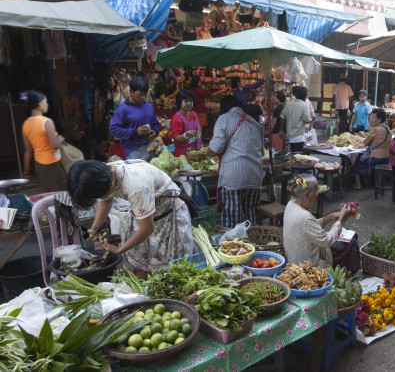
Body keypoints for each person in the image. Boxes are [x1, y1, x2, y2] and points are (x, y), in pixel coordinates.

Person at [67, 159, 198, 279]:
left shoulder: (135, 186)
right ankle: (142, 295)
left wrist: (120, 249)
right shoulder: (102, 173)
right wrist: (94, 228)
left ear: (111, 185)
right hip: (144, 213)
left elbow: (147, 228)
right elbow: (106, 201)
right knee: (141, 261)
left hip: (167, 213)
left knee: (169, 270)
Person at [207, 96, 264, 228]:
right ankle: (254, 242)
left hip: (233, 177)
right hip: (255, 176)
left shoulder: (224, 118)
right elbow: (261, 152)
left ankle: (233, 244)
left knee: (233, 218)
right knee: (251, 214)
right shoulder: (255, 123)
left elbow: (214, 149)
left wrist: (207, 152)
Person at [283, 174, 352, 268]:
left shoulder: (291, 204)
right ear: (307, 194)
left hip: (294, 262)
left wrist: (331, 217)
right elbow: (326, 241)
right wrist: (341, 218)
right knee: (348, 244)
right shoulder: (305, 217)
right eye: (316, 192)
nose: (317, 195)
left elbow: (310, 226)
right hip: (307, 269)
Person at [21, 90, 67, 192]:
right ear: (38, 104)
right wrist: (60, 139)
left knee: (48, 192)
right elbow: (54, 145)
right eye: (45, 102)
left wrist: (26, 170)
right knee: (61, 192)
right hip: (52, 163)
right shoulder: (46, 122)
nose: (47, 104)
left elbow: (27, 149)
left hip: (39, 164)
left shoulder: (26, 124)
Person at [109, 77, 159, 161]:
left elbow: (155, 124)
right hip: (133, 151)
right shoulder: (122, 110)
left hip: (151, 148)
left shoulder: (149, 106)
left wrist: (154, 132)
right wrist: (134, 131)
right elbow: (113, 130)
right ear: (131, 92)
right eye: (140, 94)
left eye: (145, 94)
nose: (143, 97)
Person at [352, 109, 391, 190]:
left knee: (356, 161)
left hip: (376, 157)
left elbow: (365, 143)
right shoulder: (387, 128)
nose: (371, 119)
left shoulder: (375, 129)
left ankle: (358, 185)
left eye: (373, 117)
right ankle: (367, 180)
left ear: (379, 119)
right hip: (386, 157)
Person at [171, 89, 202, 157]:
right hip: (183, 155)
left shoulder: (194, 114)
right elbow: (176, 139)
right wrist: (186, 135)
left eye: (191, 101)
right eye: (186, 101)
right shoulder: (177, 118)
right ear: (179, 102)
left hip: (196, 152)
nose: (189, 103)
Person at [281, 86, 311, 152]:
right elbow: (306, 119)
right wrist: (311, 119)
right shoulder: (304, 105)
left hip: (290, 136)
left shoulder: (288, 104)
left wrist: (282, 130)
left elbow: (282, 117)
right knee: (299, 156)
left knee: (294, 154)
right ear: (305, 97)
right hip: (299, 136)